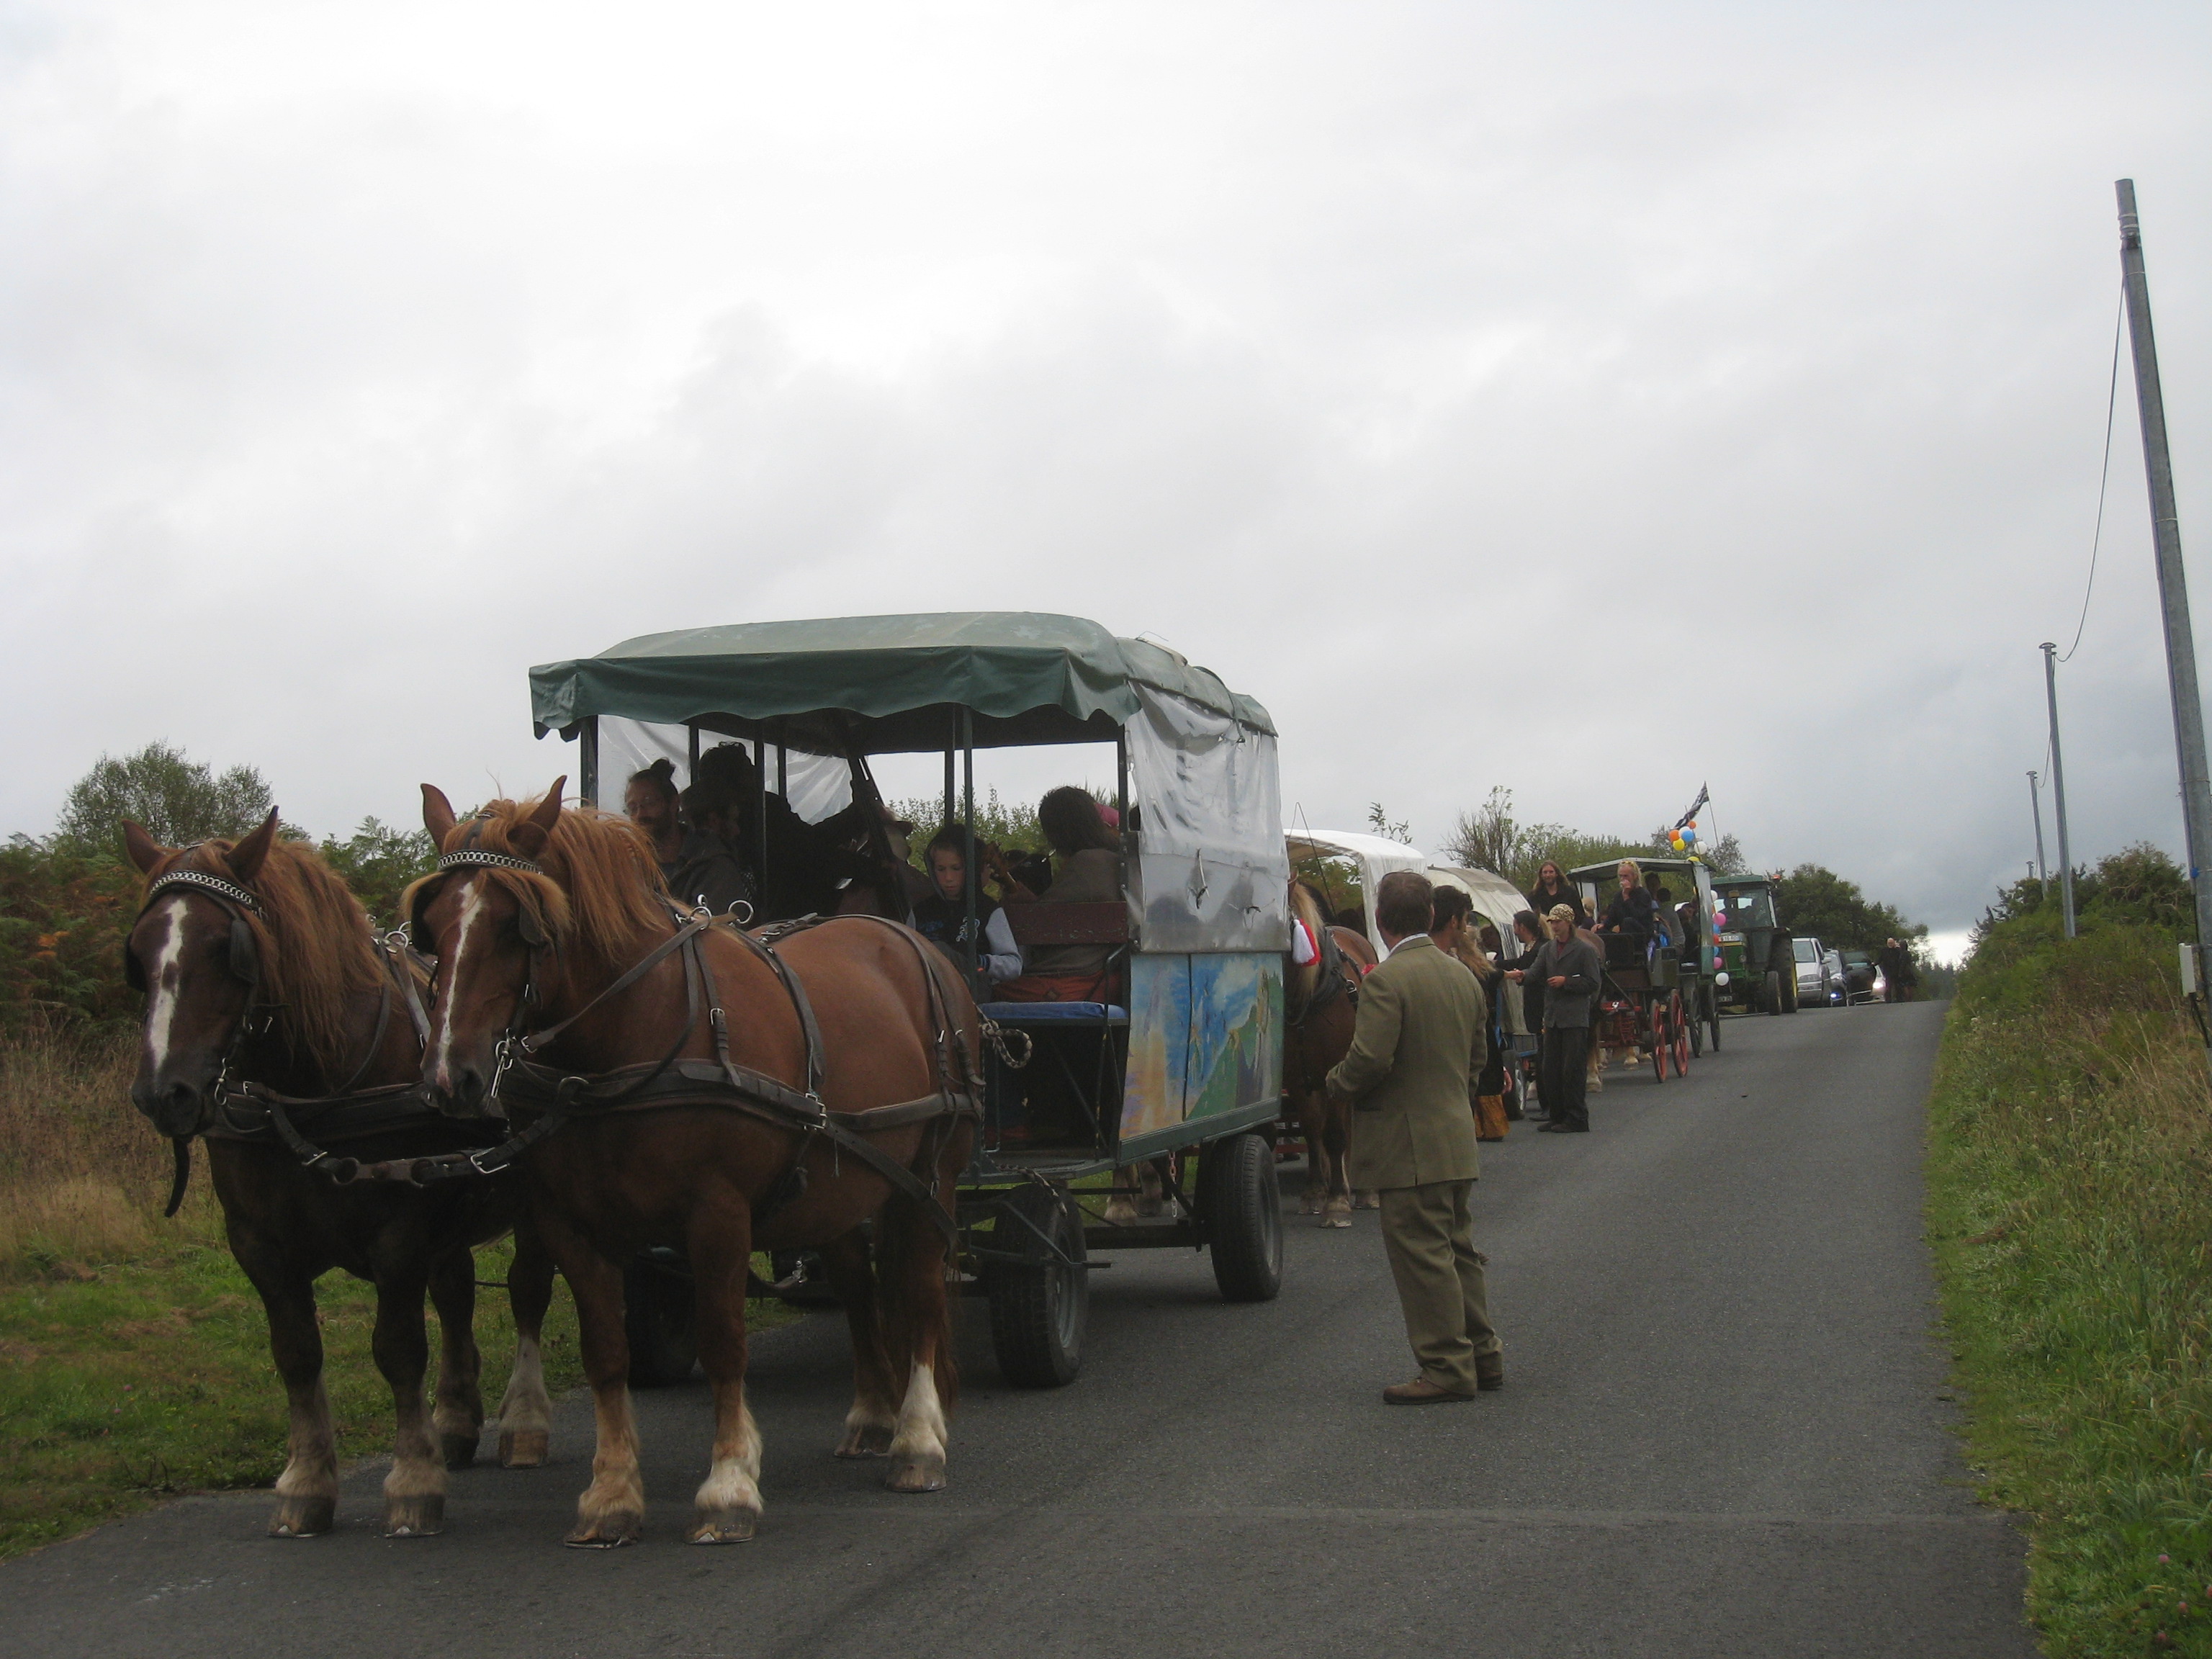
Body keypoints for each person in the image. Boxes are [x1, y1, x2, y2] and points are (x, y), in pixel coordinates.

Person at [1325, 871, 1501, 1404]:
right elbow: (1477, 1061)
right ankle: (1483, 1354)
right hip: (1454, 1136)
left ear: (1379, 920)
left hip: (1408, 1146)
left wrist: (1334, 1084)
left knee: (1423, 1259)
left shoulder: (1386, 981)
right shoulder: (1463, 977)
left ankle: (1446, 1367)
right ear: (1430, 916)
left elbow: (1370, 1060)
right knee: (1458, 1251)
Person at [986, 786, 1125, 1002]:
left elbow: (1043, 922)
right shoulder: (1112, 860)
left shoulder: (1084, 863)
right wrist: (1032, 901)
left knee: (978, 991)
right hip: (1099, 974)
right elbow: (1060, 909)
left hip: (1070, 979)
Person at [1507, 904, 1603, 1133]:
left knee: (1572, 1070)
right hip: (1552, 1018)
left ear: (1568, 923)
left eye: (1558, 922)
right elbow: (1535, 972)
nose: (1554, 926)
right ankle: (1557, 1115)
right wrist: (1521, 976)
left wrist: (1566, 982)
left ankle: (1577, 1118)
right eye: (1551, 922)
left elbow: (1593, 983)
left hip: (1574, 1018)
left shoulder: (1584, 950)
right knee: (1550, 1069)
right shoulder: (1548, 949)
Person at [625, 759, 752, 919]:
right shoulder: (628, 866)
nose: (640, 815)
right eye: (632, 808)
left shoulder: (711, 862)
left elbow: (718, 930)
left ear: (674, 803)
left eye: (649, 803)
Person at [1431, 890, 1507, 1141]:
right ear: (1454, 921)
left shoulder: (1460, 961)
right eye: (1464, 920)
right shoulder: (1451, 968)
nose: (1465, 928)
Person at [912, 829, 1022, 984]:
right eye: (941, 869)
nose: (948, 878)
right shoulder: (920, 911)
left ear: (972, 868)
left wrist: (981, 962)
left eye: (956, 868)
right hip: (927, 989)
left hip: (974, 989)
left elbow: (1013, 965)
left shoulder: (988, 909)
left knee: (940, 950)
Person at [1599, 859, 1658, 952]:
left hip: (1641, 934)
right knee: (1601, 932)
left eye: (1626, 876)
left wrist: (1626, 898)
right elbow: (1612, 918)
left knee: (1628, 922)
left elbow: (1637, 915)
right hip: (1624, 935)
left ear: (1635, 876)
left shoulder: (1643, 894)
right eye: (1621, 876)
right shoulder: (1618, 896)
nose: (1623, 879)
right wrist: (1602, 925)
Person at [1525, 860, 1587, 926]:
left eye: (1551, 872)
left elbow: (1580, 915)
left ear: (1556, 874)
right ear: (1541, 875)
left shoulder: (1570, 892)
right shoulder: (1534, 895)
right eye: (1545, 872)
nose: (1548, 875)